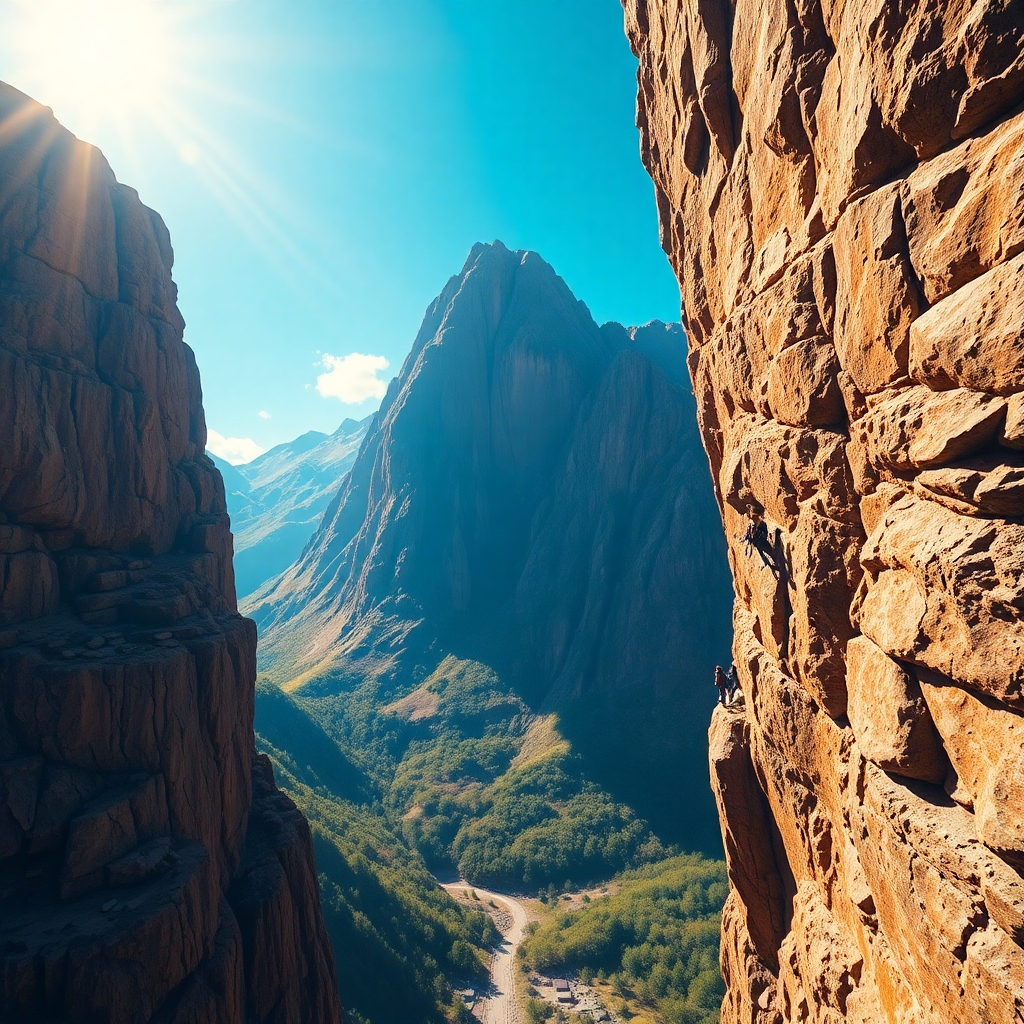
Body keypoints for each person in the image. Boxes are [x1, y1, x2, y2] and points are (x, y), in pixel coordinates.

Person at [743, 512, 779, 577]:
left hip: (759, 542)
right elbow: (750, 535)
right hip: (760, 542)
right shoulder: (752, 526)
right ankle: (775, 566)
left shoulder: (752, 526)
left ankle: (774, 565)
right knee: (770, 553)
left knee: (769, 554)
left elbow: (751, 536)